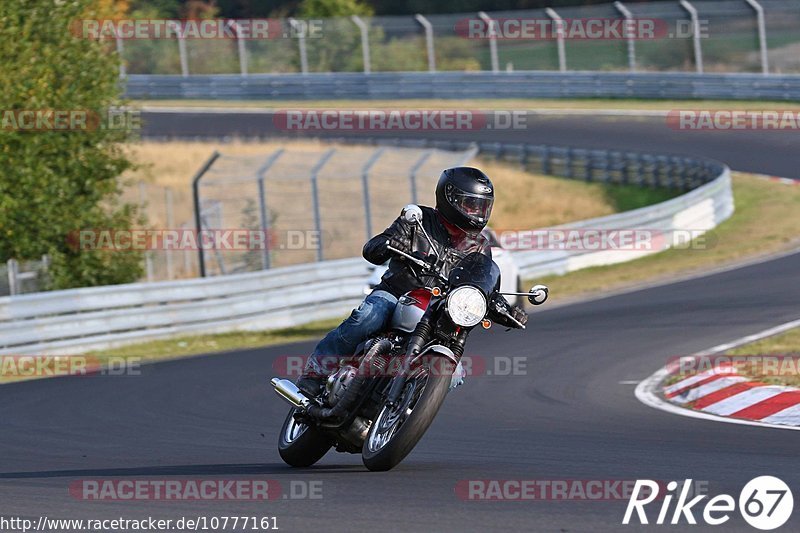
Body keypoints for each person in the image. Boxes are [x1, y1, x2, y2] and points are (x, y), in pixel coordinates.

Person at [295, 166, 527, 396]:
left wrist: (504, 308)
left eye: (481, 206)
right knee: (367, 318)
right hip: (396, 294)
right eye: (470, 204)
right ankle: (315, 372)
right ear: (449, 198)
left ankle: (403, 409)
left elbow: (482, 289)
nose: (477, 212)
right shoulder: (417, 219)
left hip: (439, 312)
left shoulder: (480, 247)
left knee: (455, 375)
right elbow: (374, 248)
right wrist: (390, 244)